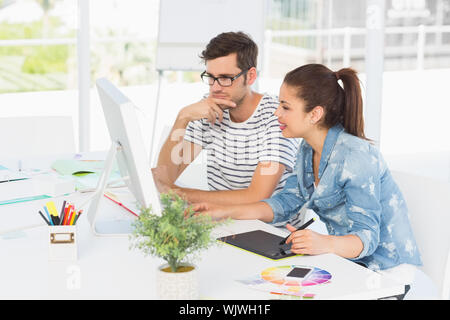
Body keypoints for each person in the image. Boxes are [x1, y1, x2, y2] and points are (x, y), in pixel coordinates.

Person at [194, 64, 422, 280]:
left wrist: (325, 243)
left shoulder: (356, 156)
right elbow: (285, 202)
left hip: (385, 271)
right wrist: (224, 212)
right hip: (347, 263)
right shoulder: (307, 149)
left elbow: (368, 239)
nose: (276, 114)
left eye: (285, 107)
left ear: (315, 114)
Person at [153, 32, 299, 205]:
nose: (215, 88)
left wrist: (178, 193)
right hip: (221, 221)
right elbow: (165, 177)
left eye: (225, 78)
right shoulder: (208, 109)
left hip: (268, 227)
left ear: (250, 76)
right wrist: (182, 117)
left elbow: (257, 196)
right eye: (211, 78)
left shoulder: (276, 117)